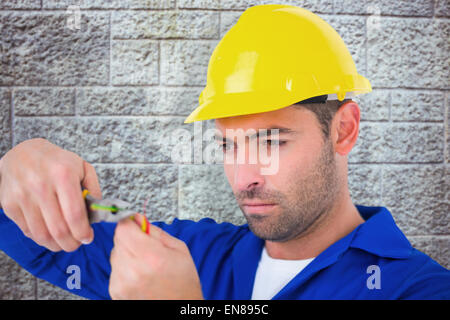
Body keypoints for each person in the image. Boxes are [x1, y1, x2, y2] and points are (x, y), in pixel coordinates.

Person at [0, 4, 448, 300]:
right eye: (228, 144)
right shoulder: (189, 252)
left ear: (344, 130)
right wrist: (20, 172)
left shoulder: (417, 289)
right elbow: (51, 238)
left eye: (271, 140)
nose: (244, 177)